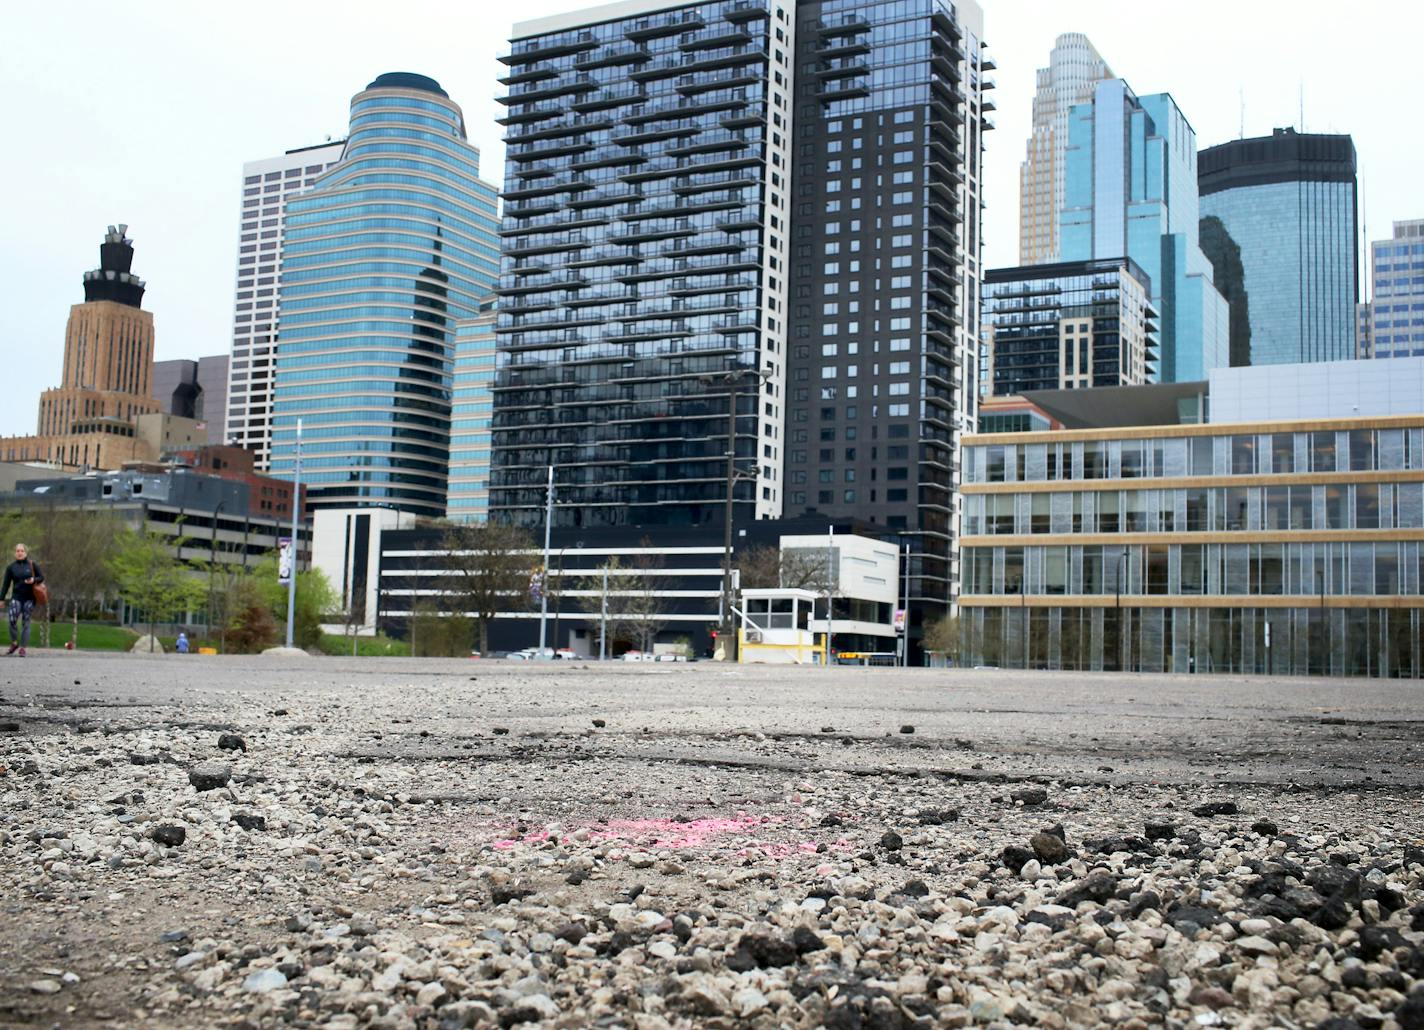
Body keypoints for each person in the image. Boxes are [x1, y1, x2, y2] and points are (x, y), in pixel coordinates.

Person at [2, 542, 44, 658]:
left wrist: (33, 579)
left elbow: (41, 577)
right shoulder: (11, 568)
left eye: (22, 551)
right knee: (11, 620)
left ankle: (23, 648)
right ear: (15, 553)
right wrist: (1, 599)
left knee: (26, 622)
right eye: (17, 551)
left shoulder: (32, 564)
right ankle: (14, 643)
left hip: (29, 599)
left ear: (26, 552)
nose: (19, 553)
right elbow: (5, 585)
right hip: (16, 598)